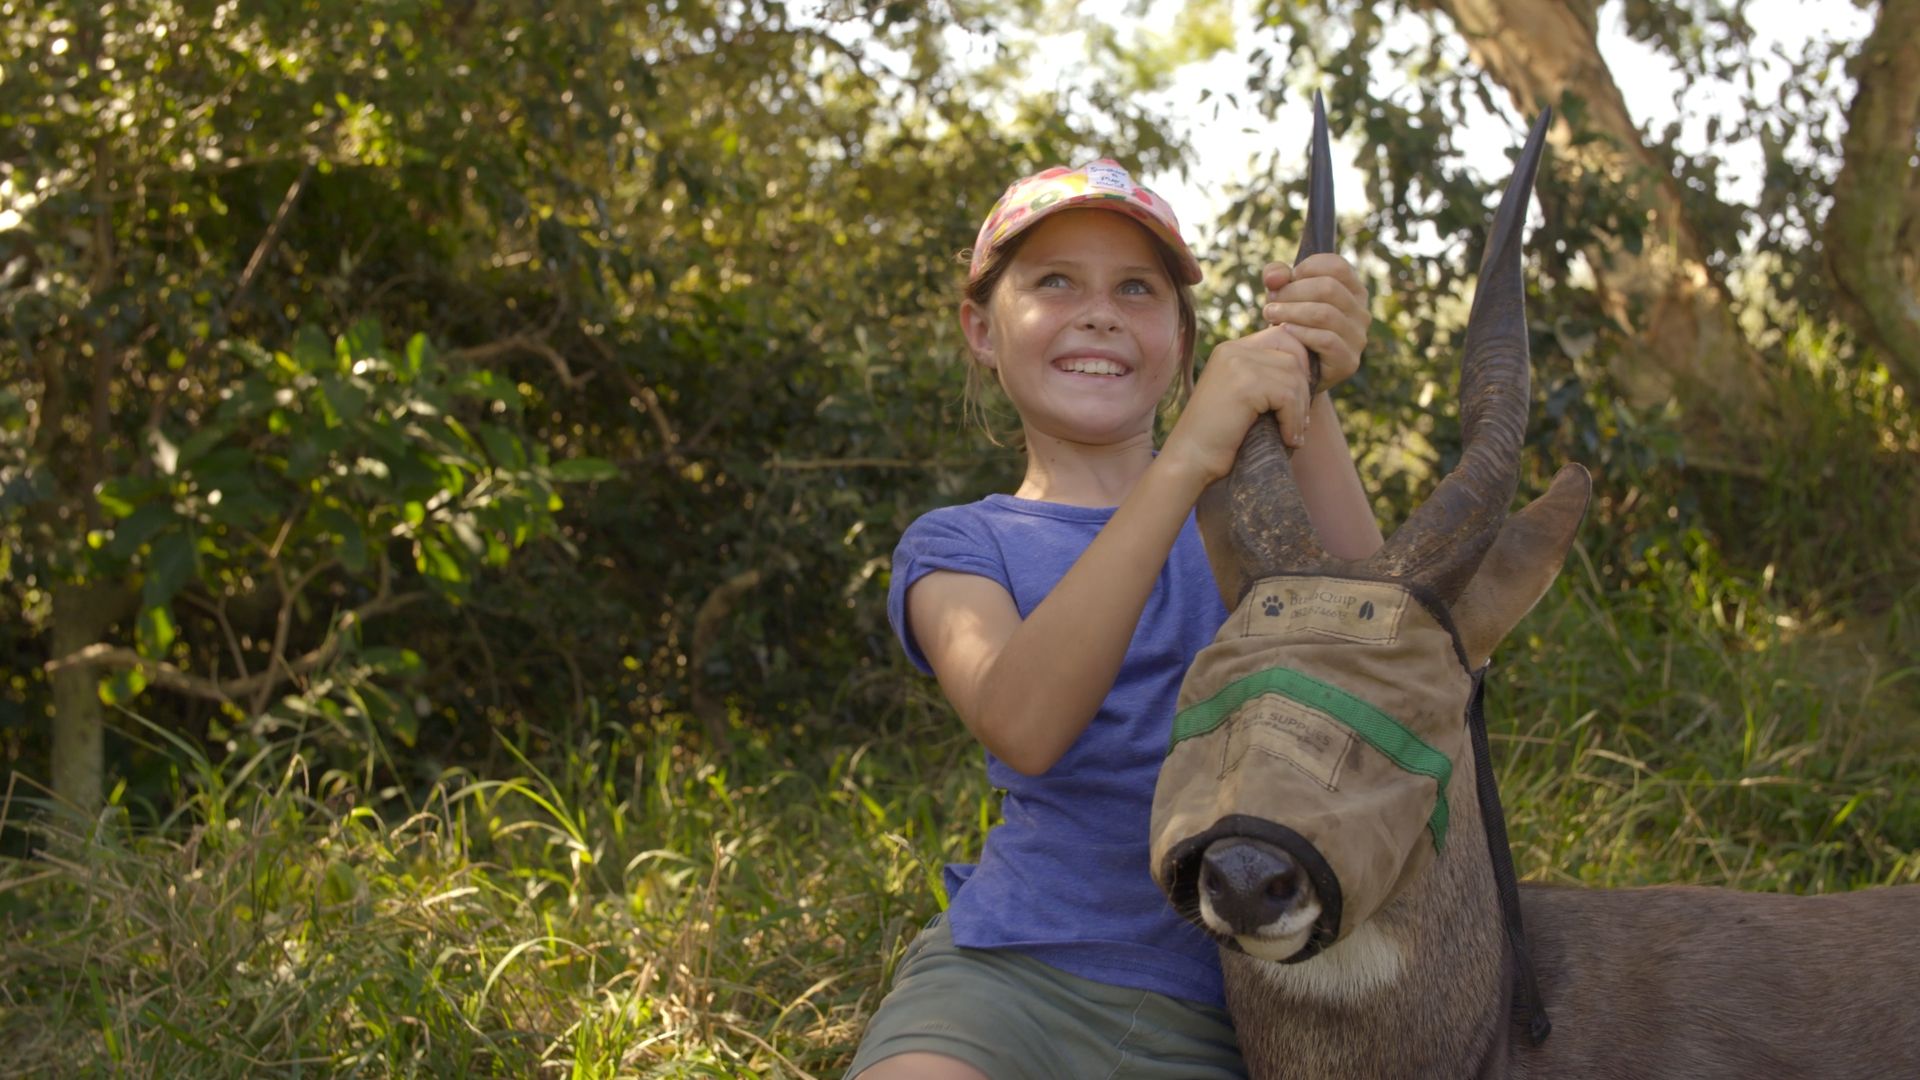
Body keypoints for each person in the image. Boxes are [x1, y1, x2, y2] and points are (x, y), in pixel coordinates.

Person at [849, 158, 1383, 1080]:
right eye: (1055, 282)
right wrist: (1186, 458)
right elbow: (1025, 725)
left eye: (1136, 288)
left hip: (1244, 1005)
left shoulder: (1243, 523)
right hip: (1009, 977)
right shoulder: (959, 544)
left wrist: (1311, 381)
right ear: (981, 329)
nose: (1099, 313)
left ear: (1180, 340)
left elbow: (1374, 655)